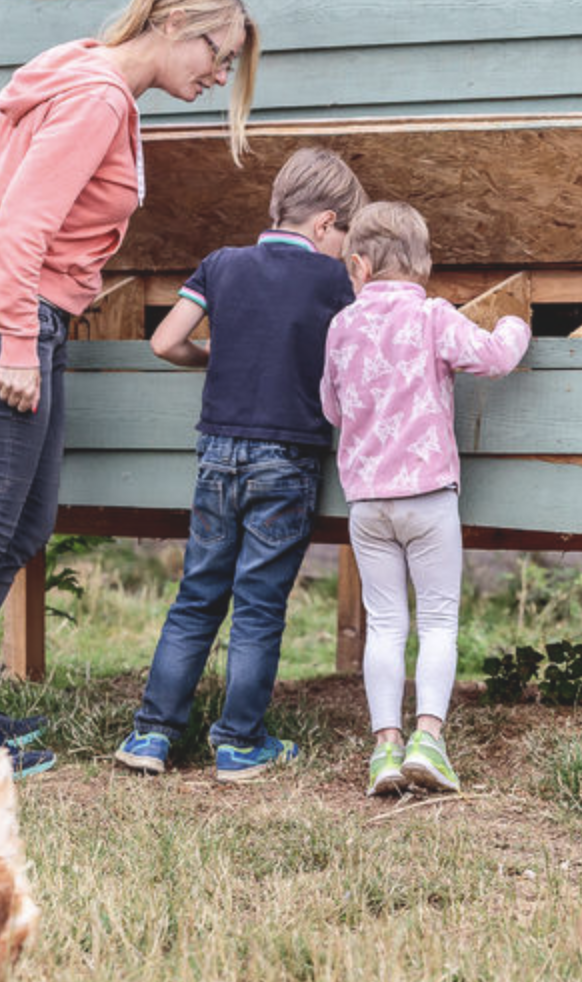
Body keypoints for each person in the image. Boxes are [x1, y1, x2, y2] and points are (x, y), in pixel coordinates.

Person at [0, 0, 260, 780]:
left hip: (13, 309)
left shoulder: (74, 68)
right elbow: (20, 228)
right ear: (174, 23)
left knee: (23, 528)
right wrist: (17, 345)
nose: (218, 74)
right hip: (8, 313)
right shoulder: (102, 97)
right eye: (218, 53)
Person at [114, 147, 369, 783]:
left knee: (197, 594)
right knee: (257, 605)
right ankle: (238, 742)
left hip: (218, 453)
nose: (344, 248)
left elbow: (164, 341)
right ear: (325, 224)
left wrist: (216, 357)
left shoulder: (221, 265)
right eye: (345, 236)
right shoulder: (334, 281)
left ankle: (151, 734)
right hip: (286, 460)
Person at [318, 201, 531, 796]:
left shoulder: (340, 326)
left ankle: (384, 748)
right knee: (438, 620)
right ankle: (429, 740)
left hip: (367, 503)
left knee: (384, 623)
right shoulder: (434, 317)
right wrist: (515, 324)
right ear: (425, 265)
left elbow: (331, 408)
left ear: (357, 265)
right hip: (429, 496)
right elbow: (494, 358)